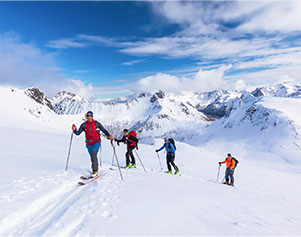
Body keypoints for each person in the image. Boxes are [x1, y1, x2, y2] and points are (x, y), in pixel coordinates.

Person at [72, 111, 113, 176]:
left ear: (92, 116)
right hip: (88, 143)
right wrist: (74, 130)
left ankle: (95, 170)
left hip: (96, 141)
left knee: (93, 154)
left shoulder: (96, 124)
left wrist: (109, 135)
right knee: (92, 157)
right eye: (87, 115)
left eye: (90, 115)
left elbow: (103, 130)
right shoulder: (84, 125)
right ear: (86, 116)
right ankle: (95, 168)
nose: (89, 117)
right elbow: (78, 133)